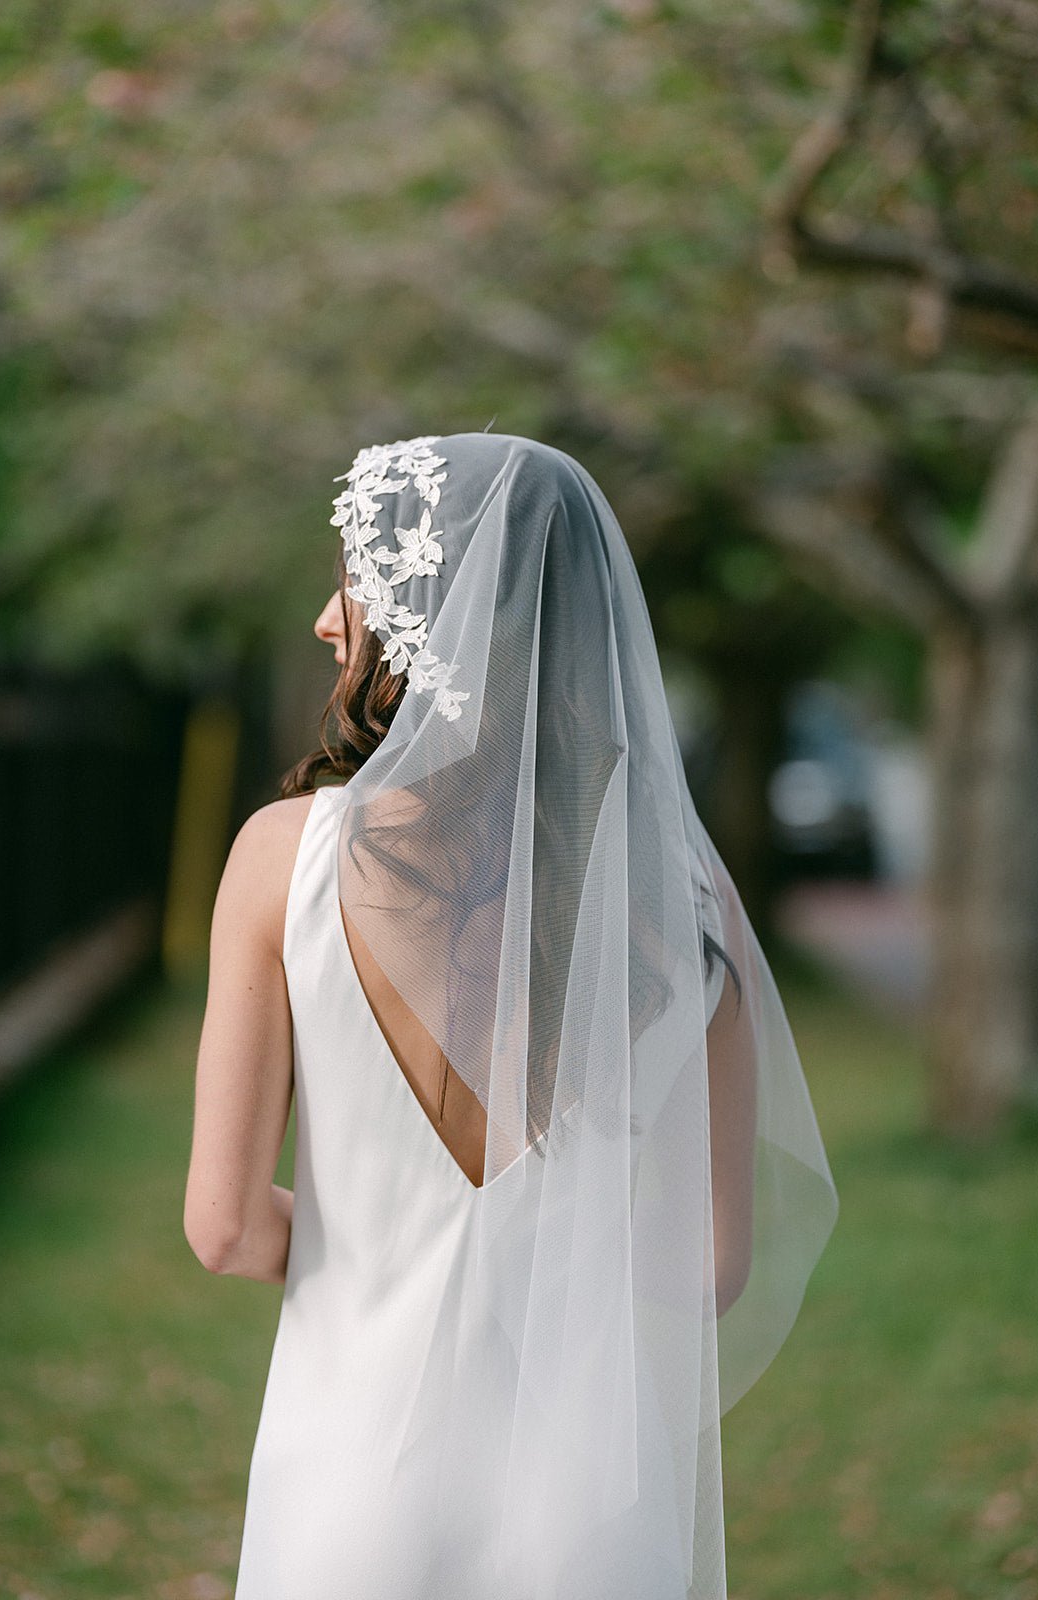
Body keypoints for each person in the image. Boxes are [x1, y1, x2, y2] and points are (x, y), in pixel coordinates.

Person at [184, 431, 838, 1600]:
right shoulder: (681, 898)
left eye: (357, 581)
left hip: (349, 1488)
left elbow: (225, 1228)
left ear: (434, 609)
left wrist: (370, 1246)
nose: (328, 620)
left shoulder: (283, 858)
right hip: (588, 1508)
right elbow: (710, 1267)